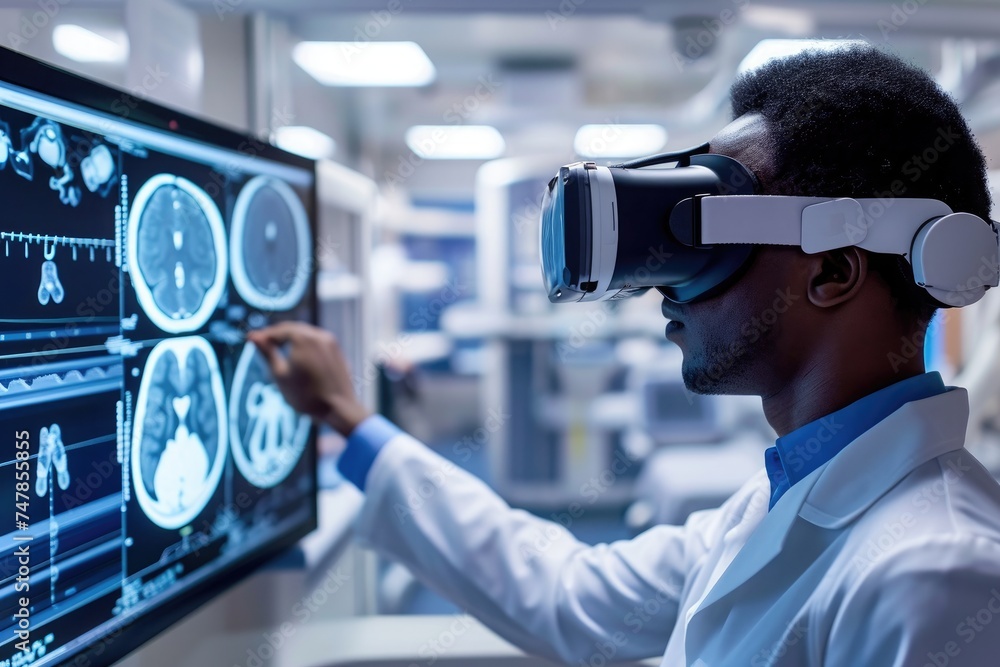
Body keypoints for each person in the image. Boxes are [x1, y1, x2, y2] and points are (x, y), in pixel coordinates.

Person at [249, 44, 1000, 666]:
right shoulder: (783, 496)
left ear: (834, 269)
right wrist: (350, 419)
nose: (663, 287)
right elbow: (571, 593)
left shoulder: (935, 576)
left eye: (709, 238)